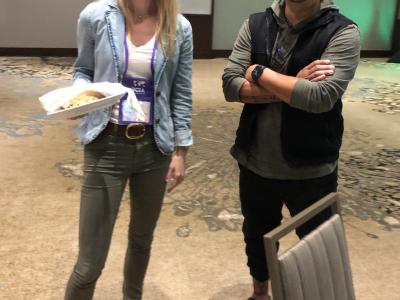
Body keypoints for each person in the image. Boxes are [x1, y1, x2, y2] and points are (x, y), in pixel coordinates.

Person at [222, 0, 360, 299]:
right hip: (255, 159)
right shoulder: (257, 23)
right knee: (256, 238)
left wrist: (259, 72)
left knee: (318, 247)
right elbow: (230, 86)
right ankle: (260, 294)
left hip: (312, 166)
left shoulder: (343, 31)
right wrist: (293, 85)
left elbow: (319, 97)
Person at [64, 0, 193, 299]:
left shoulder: (179, 26)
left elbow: (182, 92)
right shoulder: (96, 15)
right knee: (90, 260)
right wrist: (79, 95)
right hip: (106, 144)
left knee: (141, 240)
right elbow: (83, 69)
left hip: (155, 147)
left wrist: (181, 150)